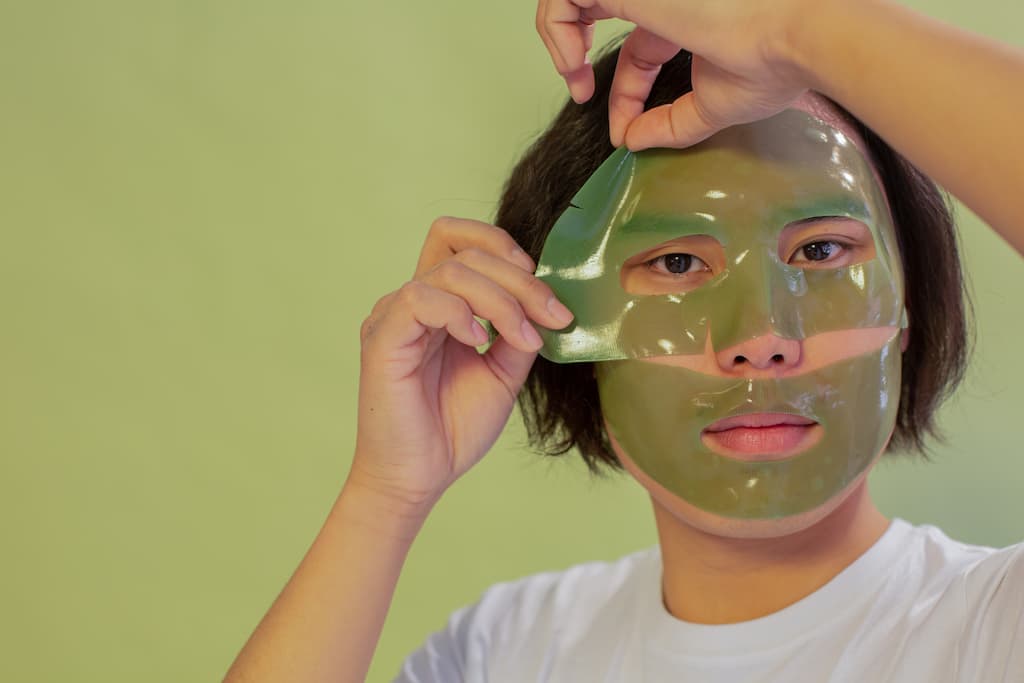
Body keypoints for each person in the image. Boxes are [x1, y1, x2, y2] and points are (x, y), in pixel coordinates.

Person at [224, 1, 1024, 681]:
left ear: (910, 300)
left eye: (820, 251)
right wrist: (386, 494)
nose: (759, 341)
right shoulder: (514, 650)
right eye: (676, 262)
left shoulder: (991, 629)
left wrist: (794, 25)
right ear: (558, 318)